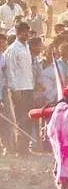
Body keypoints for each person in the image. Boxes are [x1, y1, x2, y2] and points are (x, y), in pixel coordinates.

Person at [4, 22, 34, 155]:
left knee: (28, 117)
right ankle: (20, 149)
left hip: (28, 86)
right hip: (19, 89)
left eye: (28, 31)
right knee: (20, 119)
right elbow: (10, 71)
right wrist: (14, 89)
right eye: (24, 32)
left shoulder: (26, 46)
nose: (27, 34)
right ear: (19, 33)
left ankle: (26, 148)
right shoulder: (12, 49)